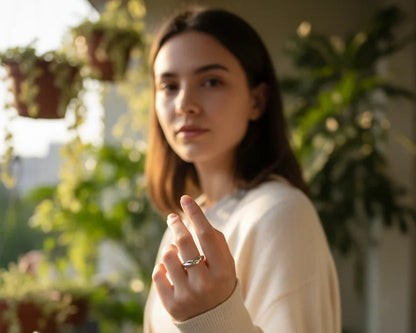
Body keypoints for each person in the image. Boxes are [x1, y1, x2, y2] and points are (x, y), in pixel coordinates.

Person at [143, 7, 341, 333]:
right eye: (169, 85)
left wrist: (212, 316)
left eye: (211, 81)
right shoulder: (184, 227)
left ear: (257, 101)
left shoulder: (281, 213)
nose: (185, 104)